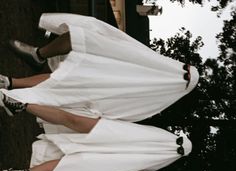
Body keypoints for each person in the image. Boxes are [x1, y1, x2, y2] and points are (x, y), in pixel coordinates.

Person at [0, 13, 199, 122]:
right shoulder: (151, 60)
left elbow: (126, 112)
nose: (180, 73)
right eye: (184, 69)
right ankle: (38, 56)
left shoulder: (154, 101)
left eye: (185, 77)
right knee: (82, 36)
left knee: (63, 81)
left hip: (102, 89)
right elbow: (125, 46)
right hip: (107, 63)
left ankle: (12, 84)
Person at [0, 103, 191, 171]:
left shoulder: (163, 137)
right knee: (69, 161)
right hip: (110, 153)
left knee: (71, 123)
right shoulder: (162, 157)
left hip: (110, 136)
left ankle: (22, 105)